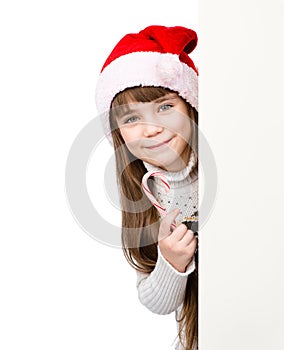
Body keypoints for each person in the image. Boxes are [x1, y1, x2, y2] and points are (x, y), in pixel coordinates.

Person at [95, 25, 199, 350]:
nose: (151, 129)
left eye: (165, 107)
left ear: (191, 106)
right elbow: (156, 302)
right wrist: (171, 262)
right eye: (130, 119)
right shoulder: (145, 193)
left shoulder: (225, 168)